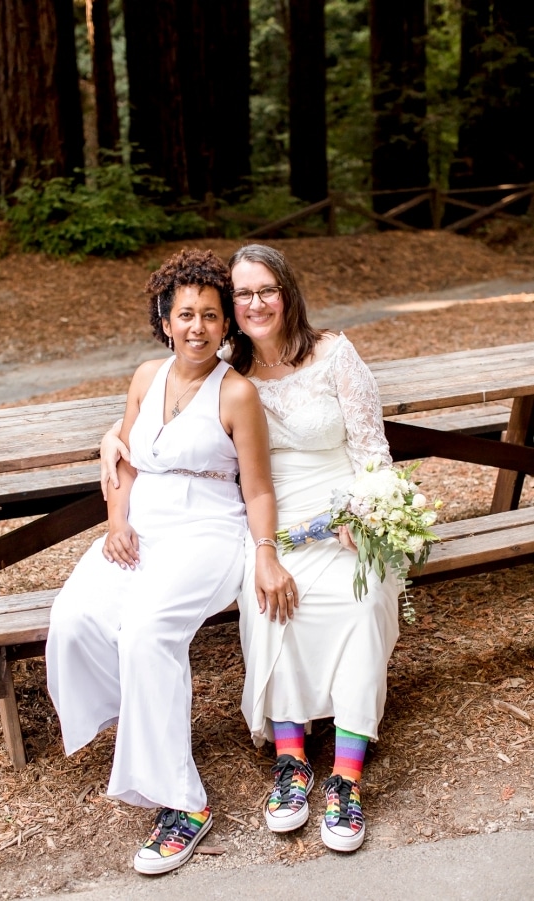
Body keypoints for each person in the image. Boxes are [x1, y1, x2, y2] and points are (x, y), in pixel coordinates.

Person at [100, 243, 400, 854]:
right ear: (230, 308)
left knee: (357, 600)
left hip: (344, 513)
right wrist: (111, 436)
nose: (255, 302)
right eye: (242, 294)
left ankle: (346, 774)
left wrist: (367, 511)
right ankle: (291, 762)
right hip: (270, 519)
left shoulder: (335, 355)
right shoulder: (228, 369)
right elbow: (164, 409)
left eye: (267, 289)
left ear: (287, 293)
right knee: (265, 598)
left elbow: (375, 453)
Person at [46, 248, 296, 876]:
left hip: (208, 531)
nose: (197, 328)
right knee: (74, 616)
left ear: (226, 326)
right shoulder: (143, 377)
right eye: (185, 314)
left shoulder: (236, 393)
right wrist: (116, 520)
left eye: (211, 316)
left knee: (147, 633)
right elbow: (125, 459)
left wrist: (264, 553)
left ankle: (182, 805)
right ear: (165, 320)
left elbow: (259, 488)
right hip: (142, 524)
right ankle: (139, 720)